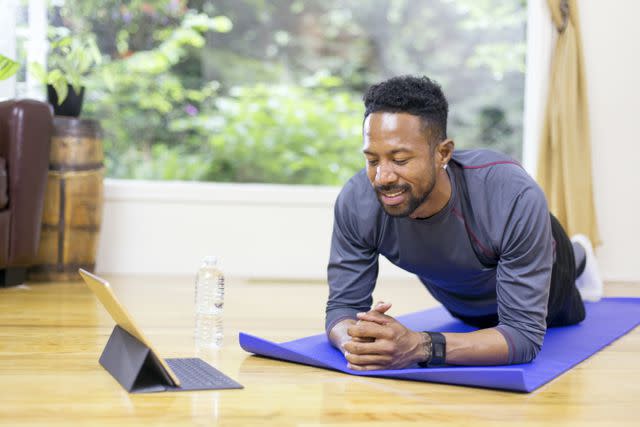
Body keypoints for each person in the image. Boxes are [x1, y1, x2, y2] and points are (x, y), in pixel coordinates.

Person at [325, 75, 603, 370]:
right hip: (464, 301)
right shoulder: (357, 202)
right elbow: (342, 309)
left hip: (552, 274)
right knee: (473, 320)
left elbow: (523, 337)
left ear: (442, 153)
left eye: (401, 160)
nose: (383, 177)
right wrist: (355, 342)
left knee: (568, 313)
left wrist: (418, 346)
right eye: (372, 160)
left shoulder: (511, 193)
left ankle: (579, 255)